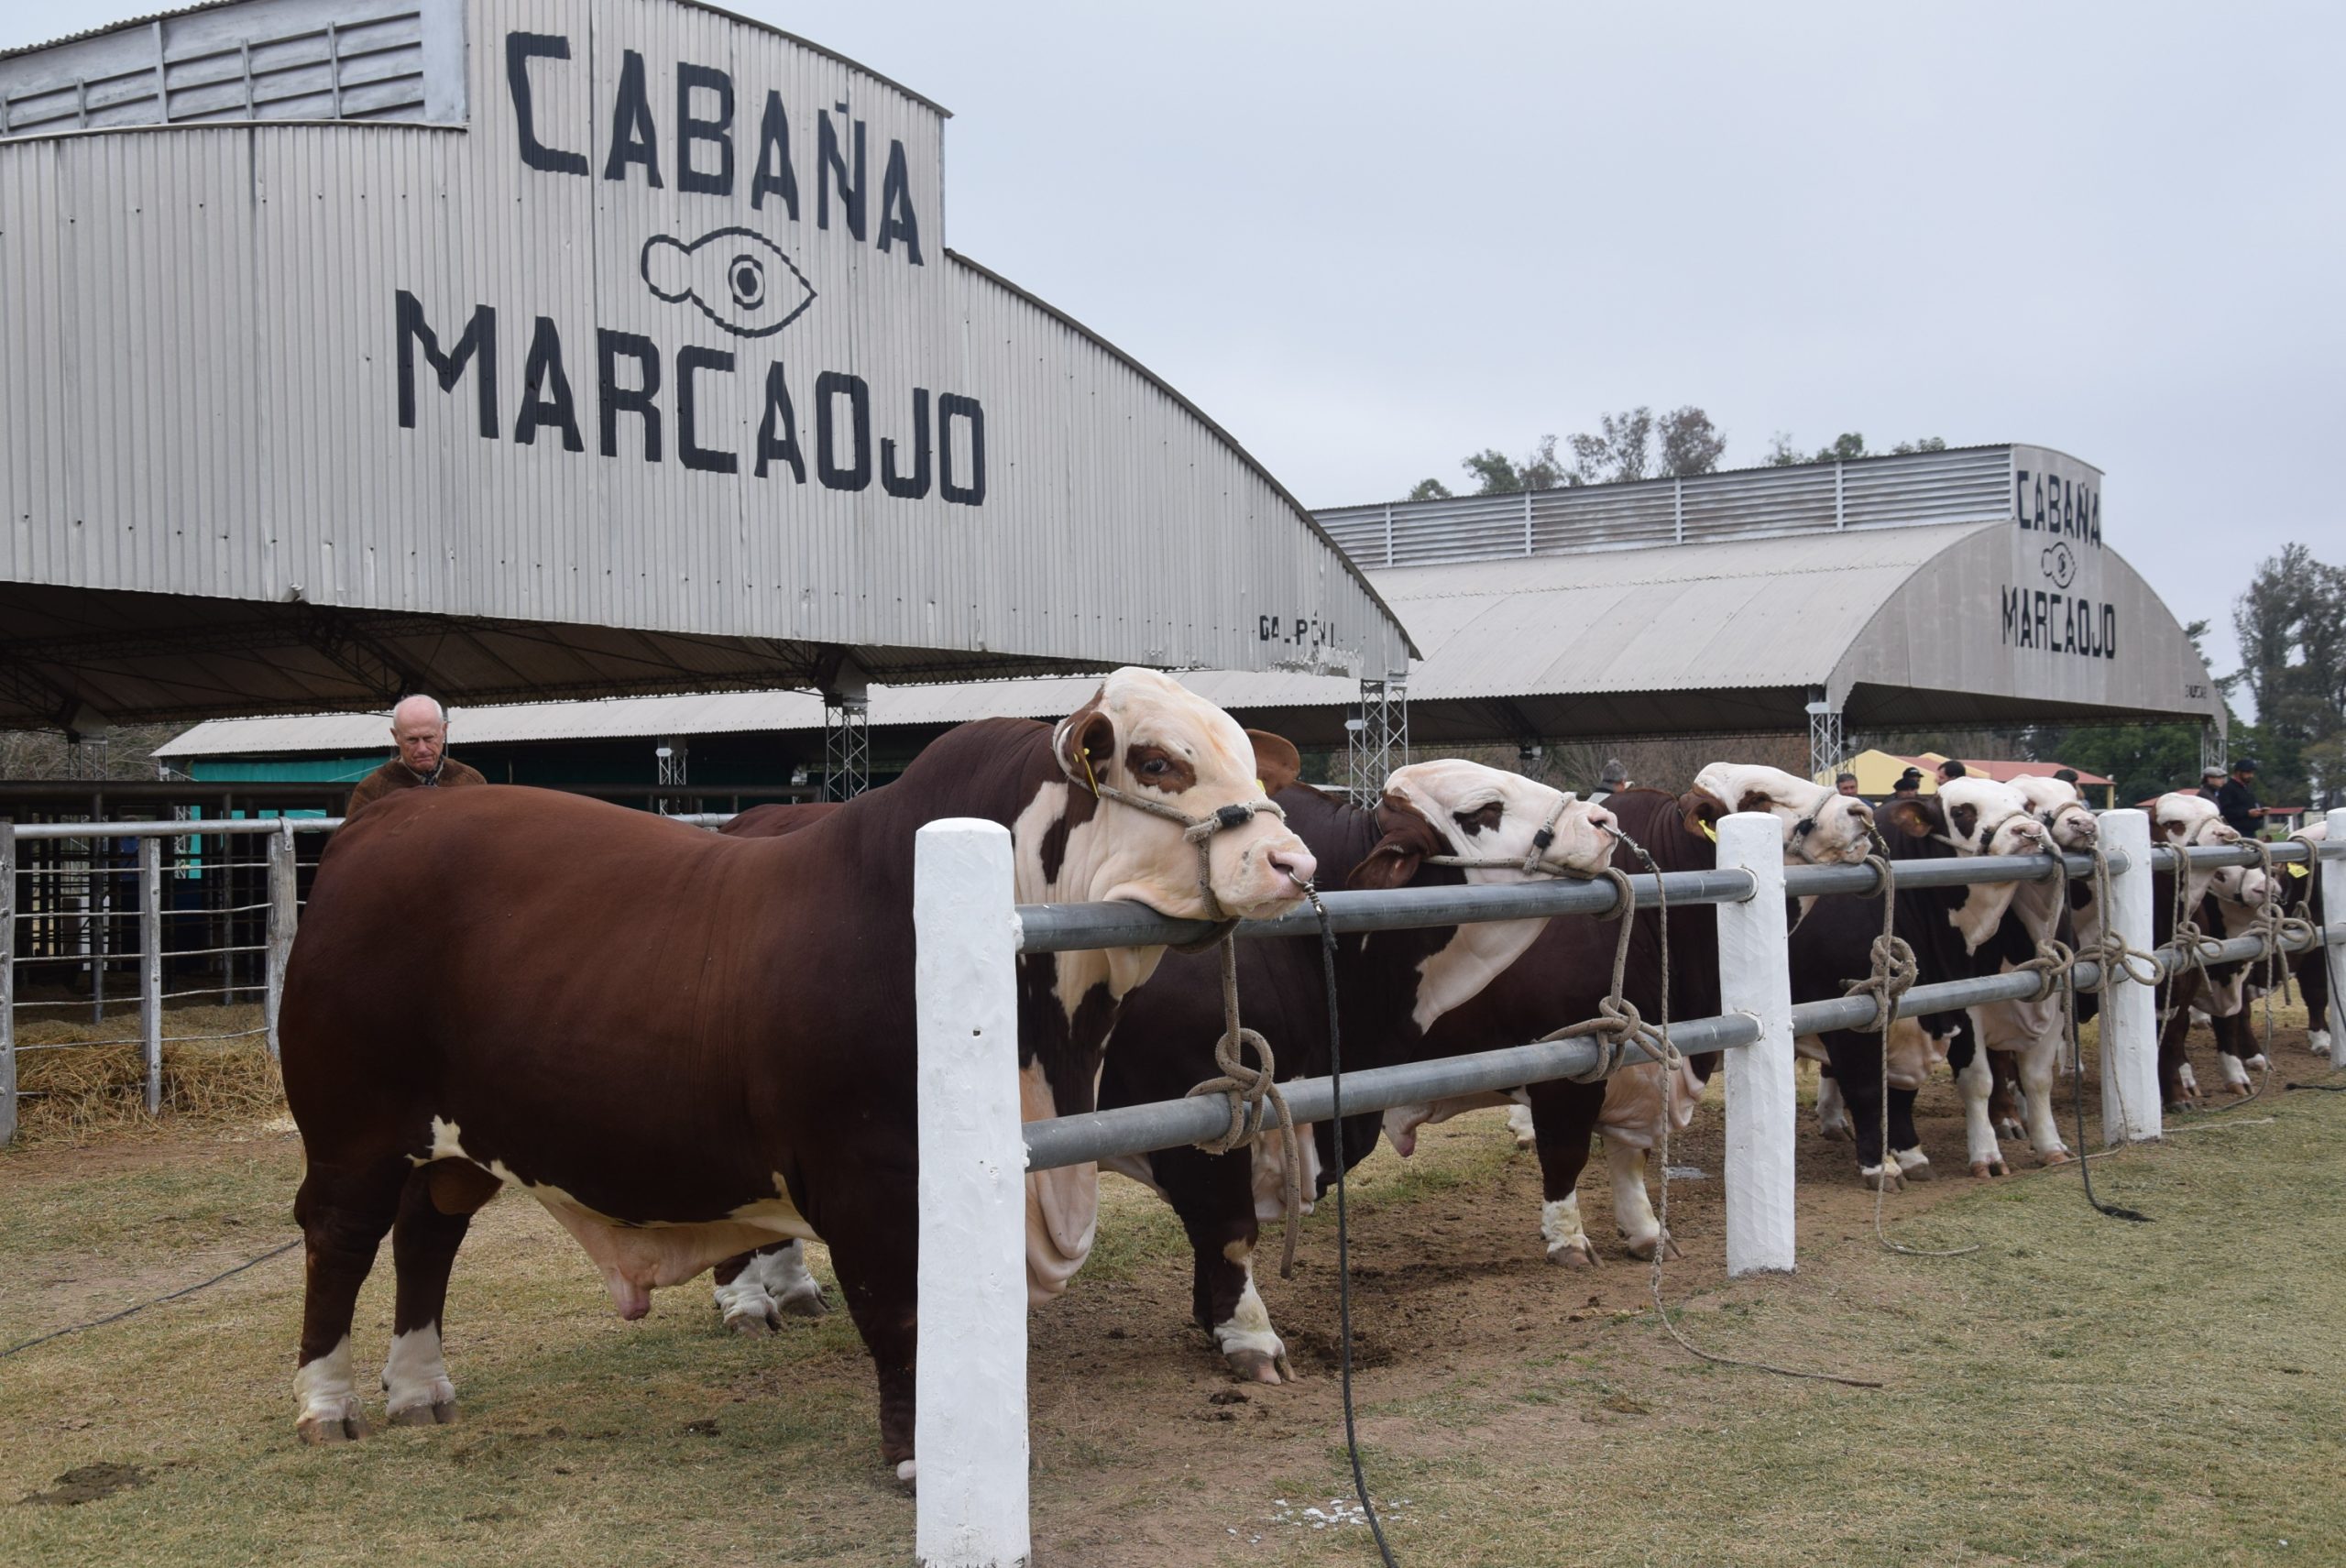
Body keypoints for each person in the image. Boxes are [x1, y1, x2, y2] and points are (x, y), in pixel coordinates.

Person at [345, 695, 488, 816]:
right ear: (396, 736)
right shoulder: (371, 791)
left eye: (429, 738)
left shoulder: (472, 782)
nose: (422, 749)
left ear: (444, 730)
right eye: (412, 740)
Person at [2215, 759, 2263, 839]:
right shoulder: (2228, 788)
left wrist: (2260, 813)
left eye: (2252, 773)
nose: (2251, 776)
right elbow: (2225, 812)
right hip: (2237, 832)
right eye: (2248, 773)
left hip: (2250, 832)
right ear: (2238, 772)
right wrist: (2246, 813)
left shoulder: (2246, 789)